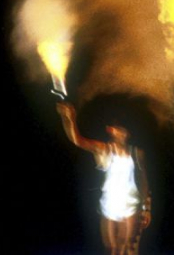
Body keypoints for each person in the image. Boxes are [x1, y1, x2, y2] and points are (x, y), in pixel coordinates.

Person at [56, 102, 151, 255]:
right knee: (111, 249)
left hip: (132, 205)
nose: (121, 133)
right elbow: (77, 140)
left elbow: (144, 180)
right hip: (110, 205)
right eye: (117, 129)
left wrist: (146, 208)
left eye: (123, 130)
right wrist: (69, 118)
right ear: (110, 130)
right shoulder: (103, 150)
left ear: (128, 133)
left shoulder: (137, 153)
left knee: (129, 247)